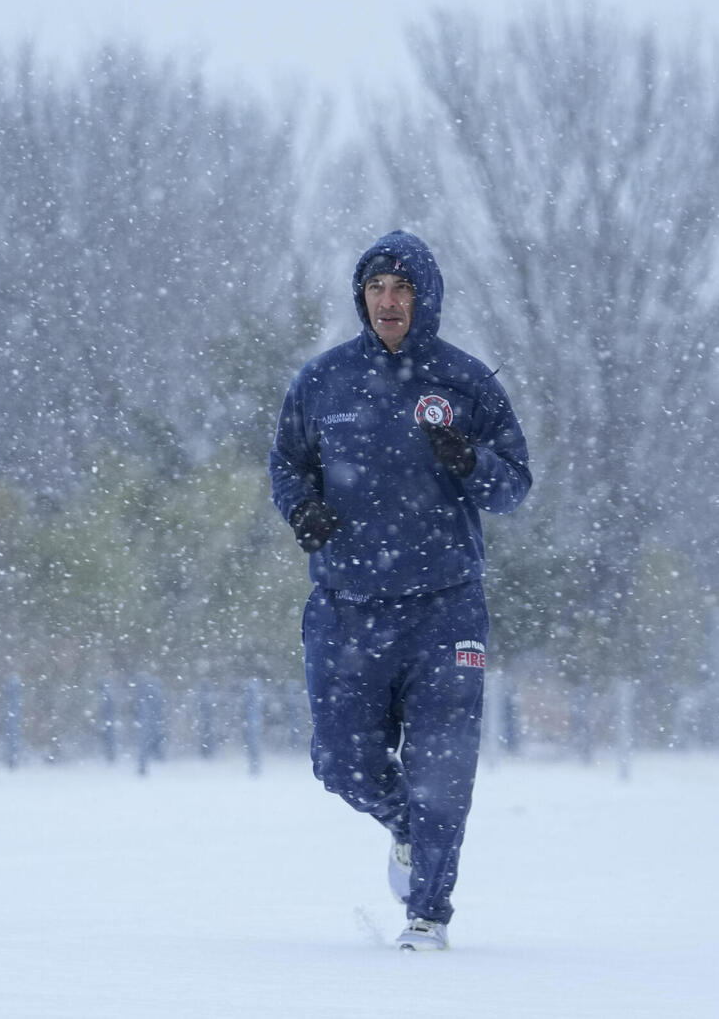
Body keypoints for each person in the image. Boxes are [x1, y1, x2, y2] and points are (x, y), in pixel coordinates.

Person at [268, 230, 531, 950]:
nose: (389, 301)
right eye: (377, 288)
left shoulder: (467, 383)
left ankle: (428, 915)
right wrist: (304, 510)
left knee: (442, 769)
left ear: (426, 299)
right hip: (347, 607)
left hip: (445, 606)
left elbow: (514, 485)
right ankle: (409, 828)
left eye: (403, 289)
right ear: (362, 297)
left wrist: (472, 462)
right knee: (340, 762)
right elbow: (286, 466)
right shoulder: (321, 383)